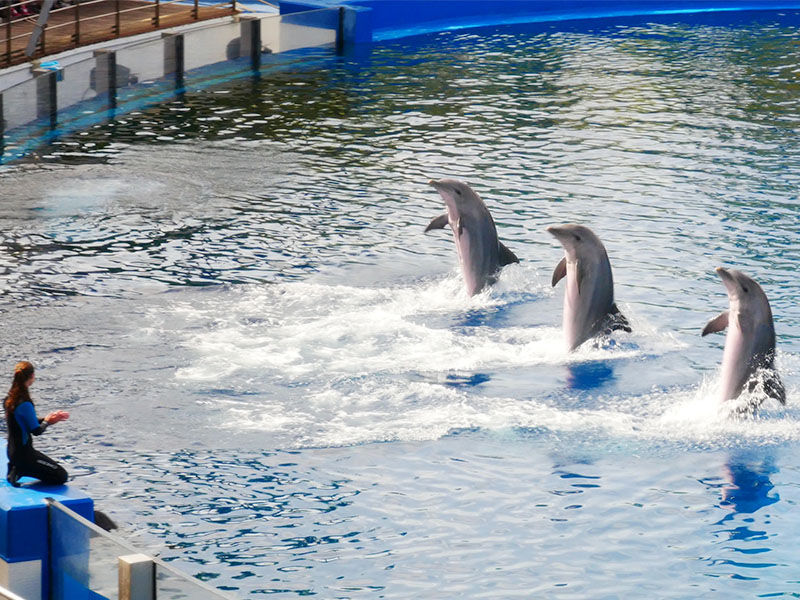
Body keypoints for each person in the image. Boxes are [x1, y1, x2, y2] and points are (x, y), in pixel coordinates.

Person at [4, 361, 69, 487]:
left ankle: (16, 467)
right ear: (32, 376)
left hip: (12, 452)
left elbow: (25, 421)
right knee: (61, 475)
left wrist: (48, 419)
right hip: (25, 455)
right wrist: (48, 421)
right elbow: (36, 430)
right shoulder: (25, 403)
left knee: (49, 468)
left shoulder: (9, 399)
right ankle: (19, 470)